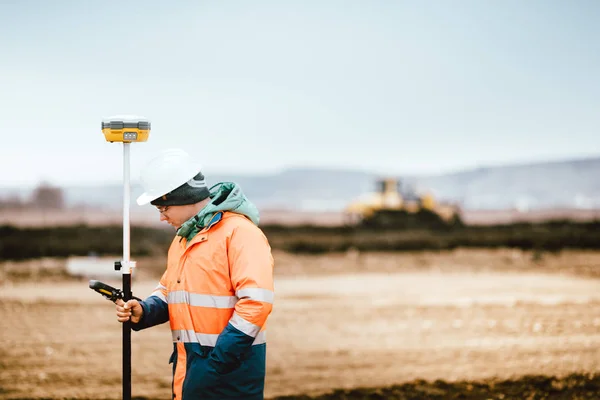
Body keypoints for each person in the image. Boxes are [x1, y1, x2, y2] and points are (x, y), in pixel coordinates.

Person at [115, 148, 275, 400]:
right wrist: (144, 311)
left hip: (231, 371)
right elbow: (171, 291)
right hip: (191, 362)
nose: (161, 217)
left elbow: (255, 304)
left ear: (182, 197)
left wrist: (216, 364)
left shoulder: (240, 233)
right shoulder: (183, 238)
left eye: (163, 208)